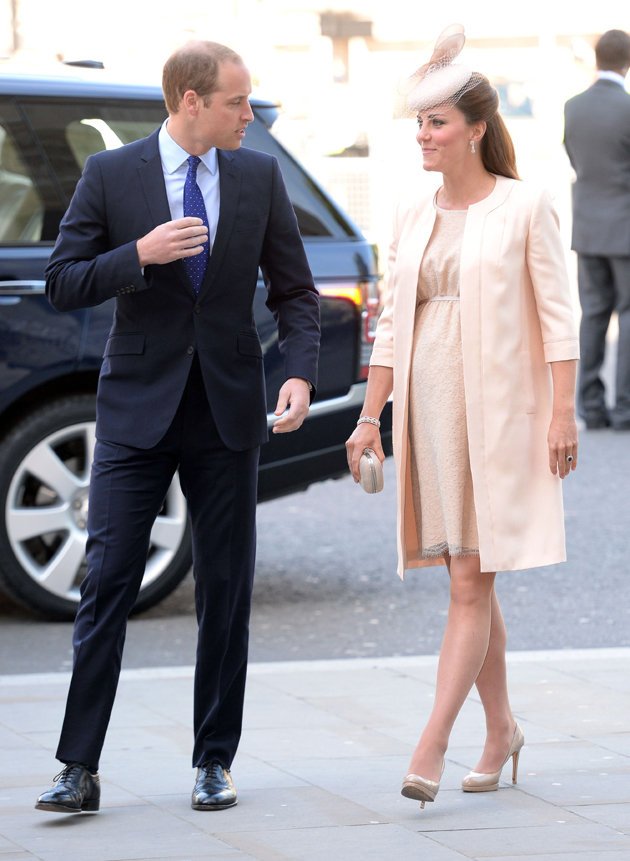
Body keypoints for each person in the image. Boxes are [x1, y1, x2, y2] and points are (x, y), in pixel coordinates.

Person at [35, 40, 320, 814]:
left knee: (224, 589)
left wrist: (298, 371)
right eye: (236, 101)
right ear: (191, 101)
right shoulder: (110, 174)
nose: (249, 114)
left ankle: (213, 760)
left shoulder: (258, 176)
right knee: (107, 580)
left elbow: (296, 291)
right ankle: (77, 766)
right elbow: (62, 281)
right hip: (137, 407)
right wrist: (138, 253)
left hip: (228, 408)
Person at [346, 25, 578, 810]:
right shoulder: (414, 212)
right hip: (429, 414)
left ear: (476, 129)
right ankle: (503, 727)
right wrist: (369, 418)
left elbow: (560, 319)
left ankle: (432, 743)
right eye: (420, 122)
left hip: (500, 417)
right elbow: (390, 326)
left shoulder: (526, 204)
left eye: (437, 122)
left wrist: (563, 414)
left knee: (472, 579)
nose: (423, 135)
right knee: (466, 578)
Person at [563, 29, 630, 431]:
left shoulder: (573, 107)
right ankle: (624, 409)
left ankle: (590, 406)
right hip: (626, 230)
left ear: (598, 58)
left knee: (592, 315)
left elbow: (576, 159)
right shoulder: (627, 108)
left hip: (587, 229)